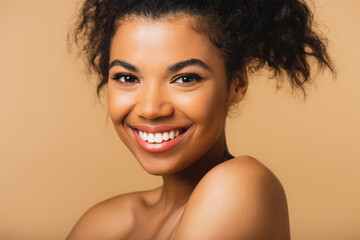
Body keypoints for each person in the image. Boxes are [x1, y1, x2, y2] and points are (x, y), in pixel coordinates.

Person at [67, 0, 333, 239]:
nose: (150, 108)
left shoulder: (240, 186)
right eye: (127, 78)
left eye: (185, 78)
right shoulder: (103, 223)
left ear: (237, 84)